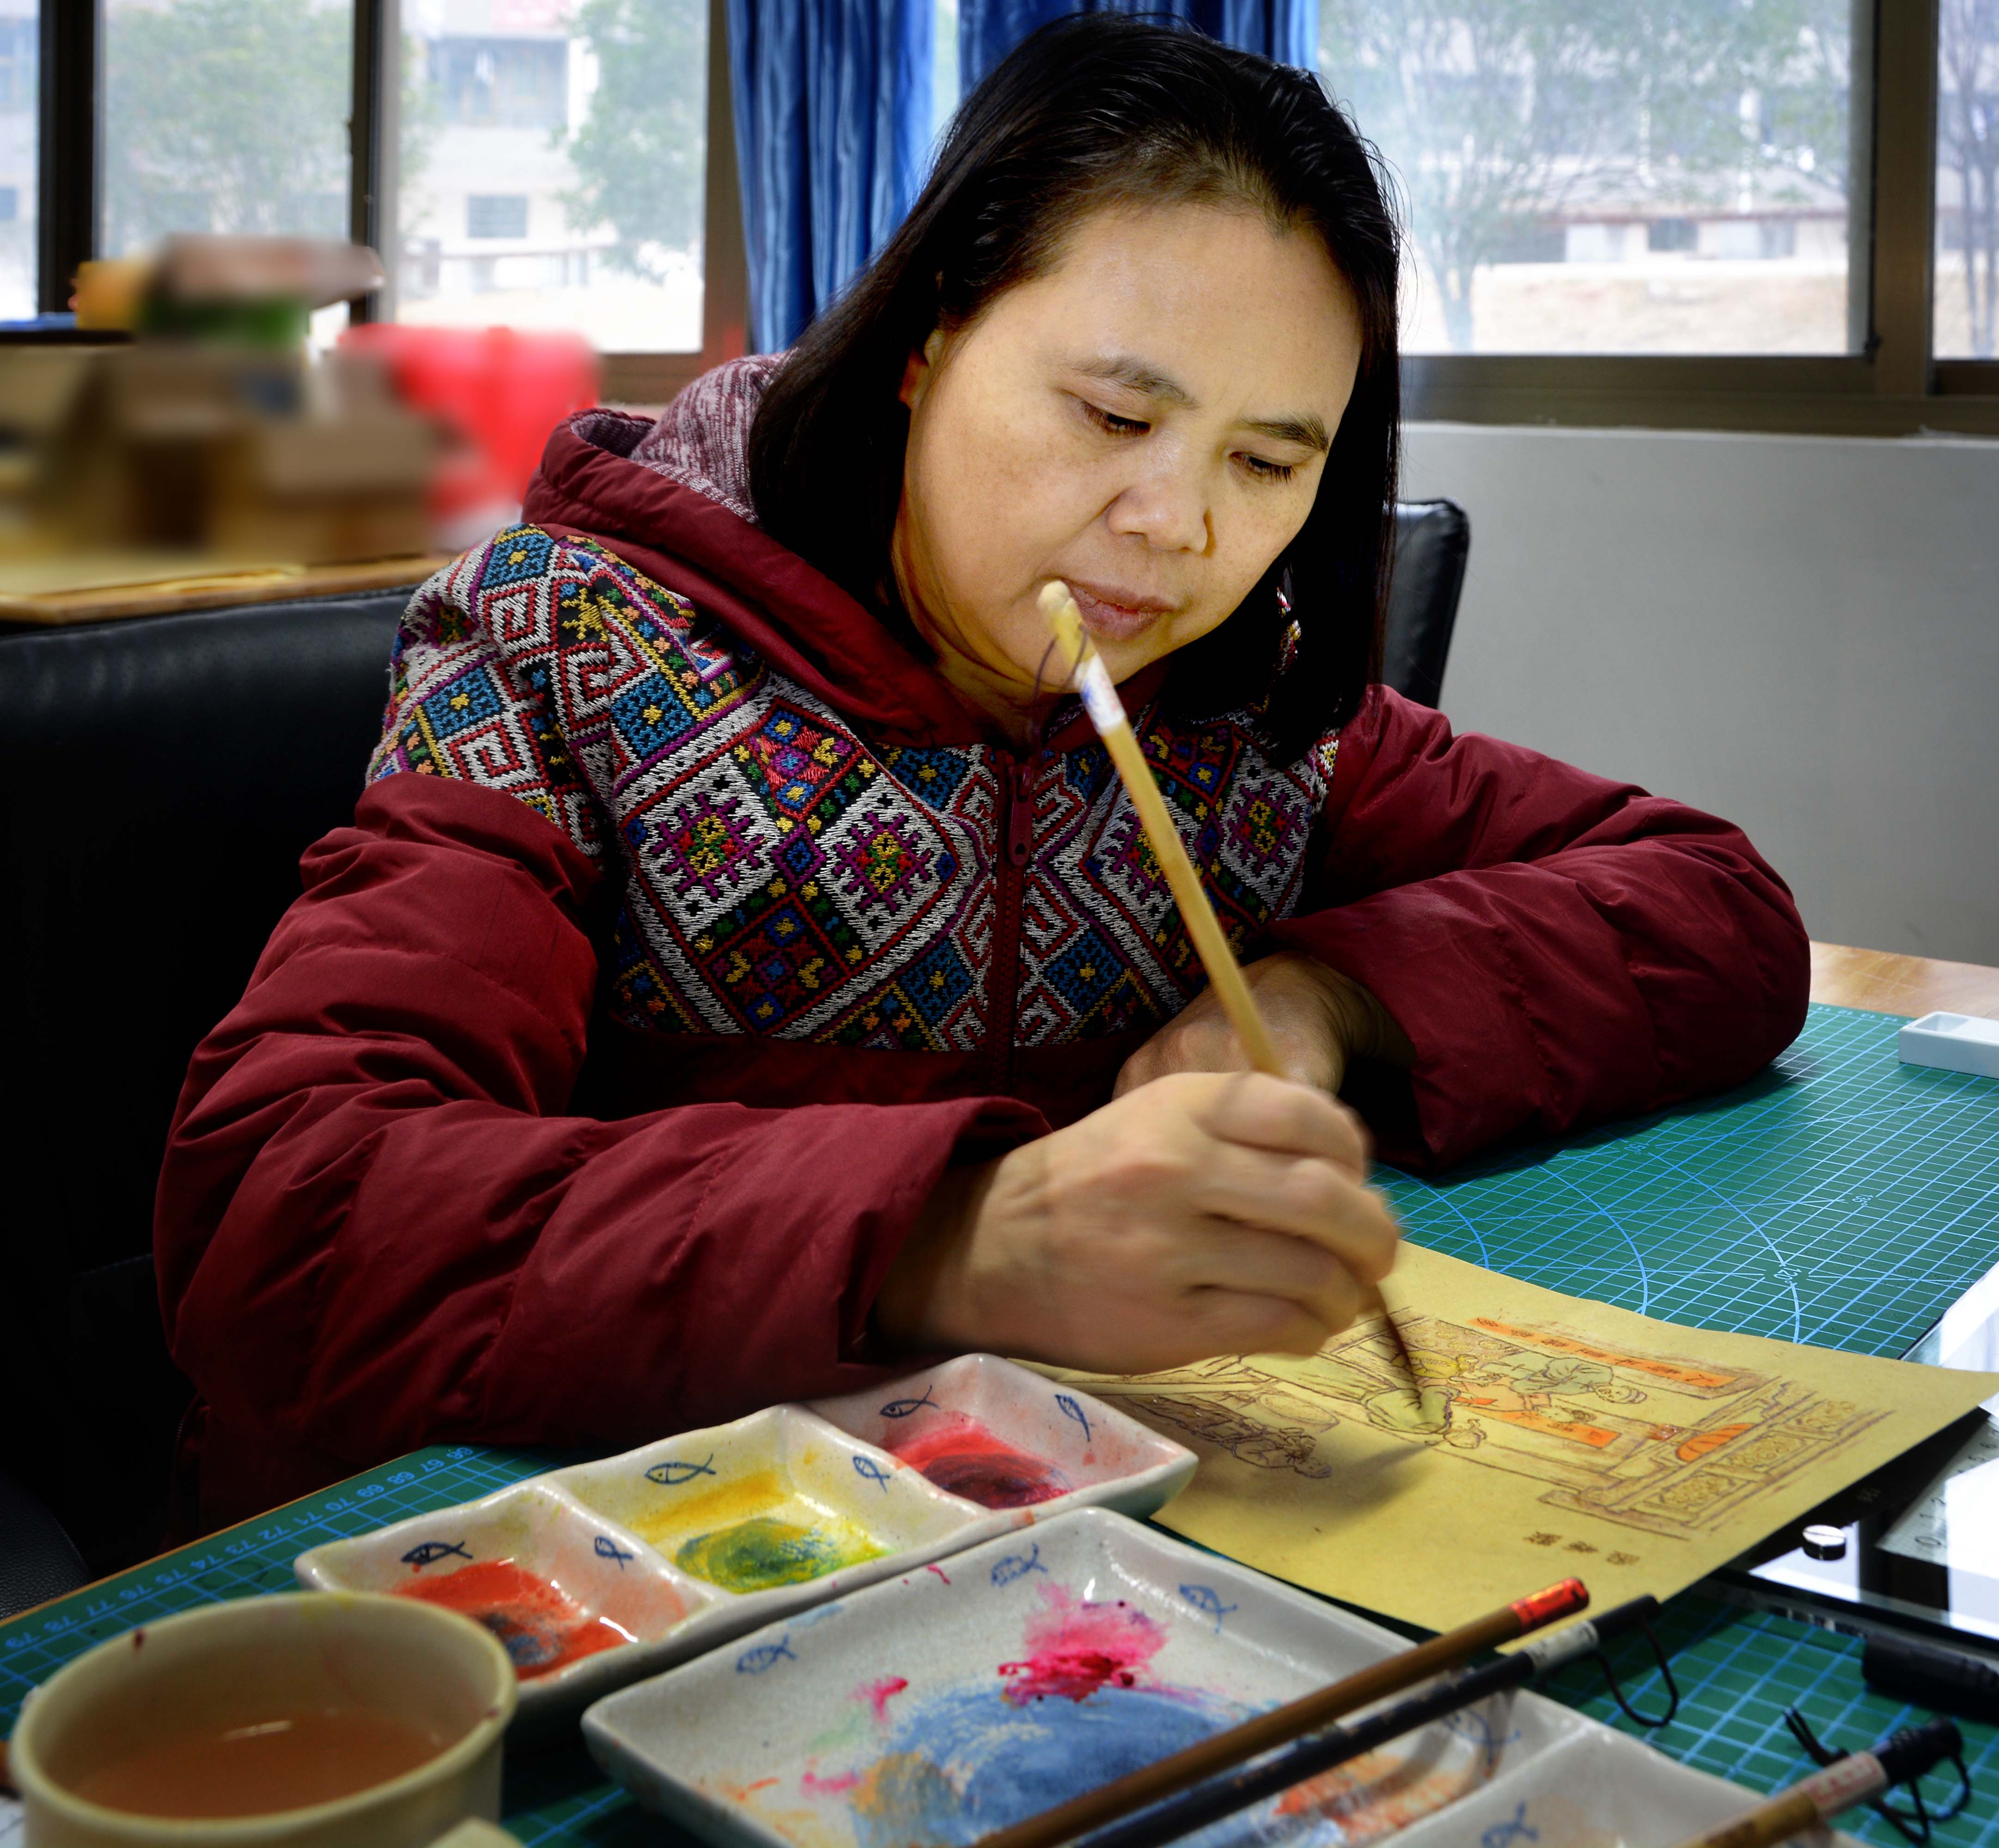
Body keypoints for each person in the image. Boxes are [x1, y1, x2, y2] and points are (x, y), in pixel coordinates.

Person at [155, 15, 1808, 1532]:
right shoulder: (567, 646)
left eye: (1267, 458)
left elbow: (1720, 913)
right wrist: (962, 1239)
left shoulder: (1243, 717)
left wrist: (1323, 1004)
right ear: (930, 340)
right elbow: (285, 1224)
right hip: (570, 1573)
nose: (1181, 528)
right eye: (1109, 417)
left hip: (1055, 1559)